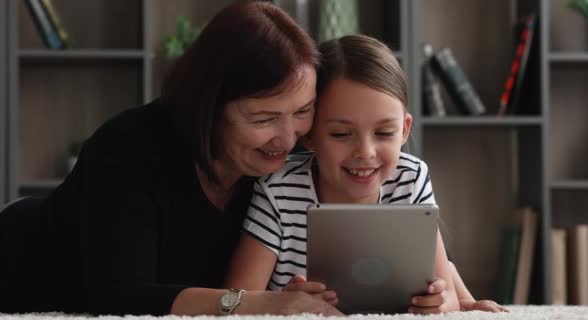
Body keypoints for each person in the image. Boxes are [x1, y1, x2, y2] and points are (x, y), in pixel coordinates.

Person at [0, 2, 341, 316]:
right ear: (209, 107)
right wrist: (255, 303)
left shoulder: (295, 154)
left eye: (303, 111)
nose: (287, 138)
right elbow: (121, 298)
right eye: (263, 119)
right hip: (25, 286)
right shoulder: (128, 147)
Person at [224, 35, 508, 314]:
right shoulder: (278, 189)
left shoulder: (410, 178)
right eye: (341, 134)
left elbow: (442, 282)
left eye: (384, 133)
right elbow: (239, 297)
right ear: (309, 134)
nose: (365, 151)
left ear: (405, 131)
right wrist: (278, 303)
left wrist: (453, 302)